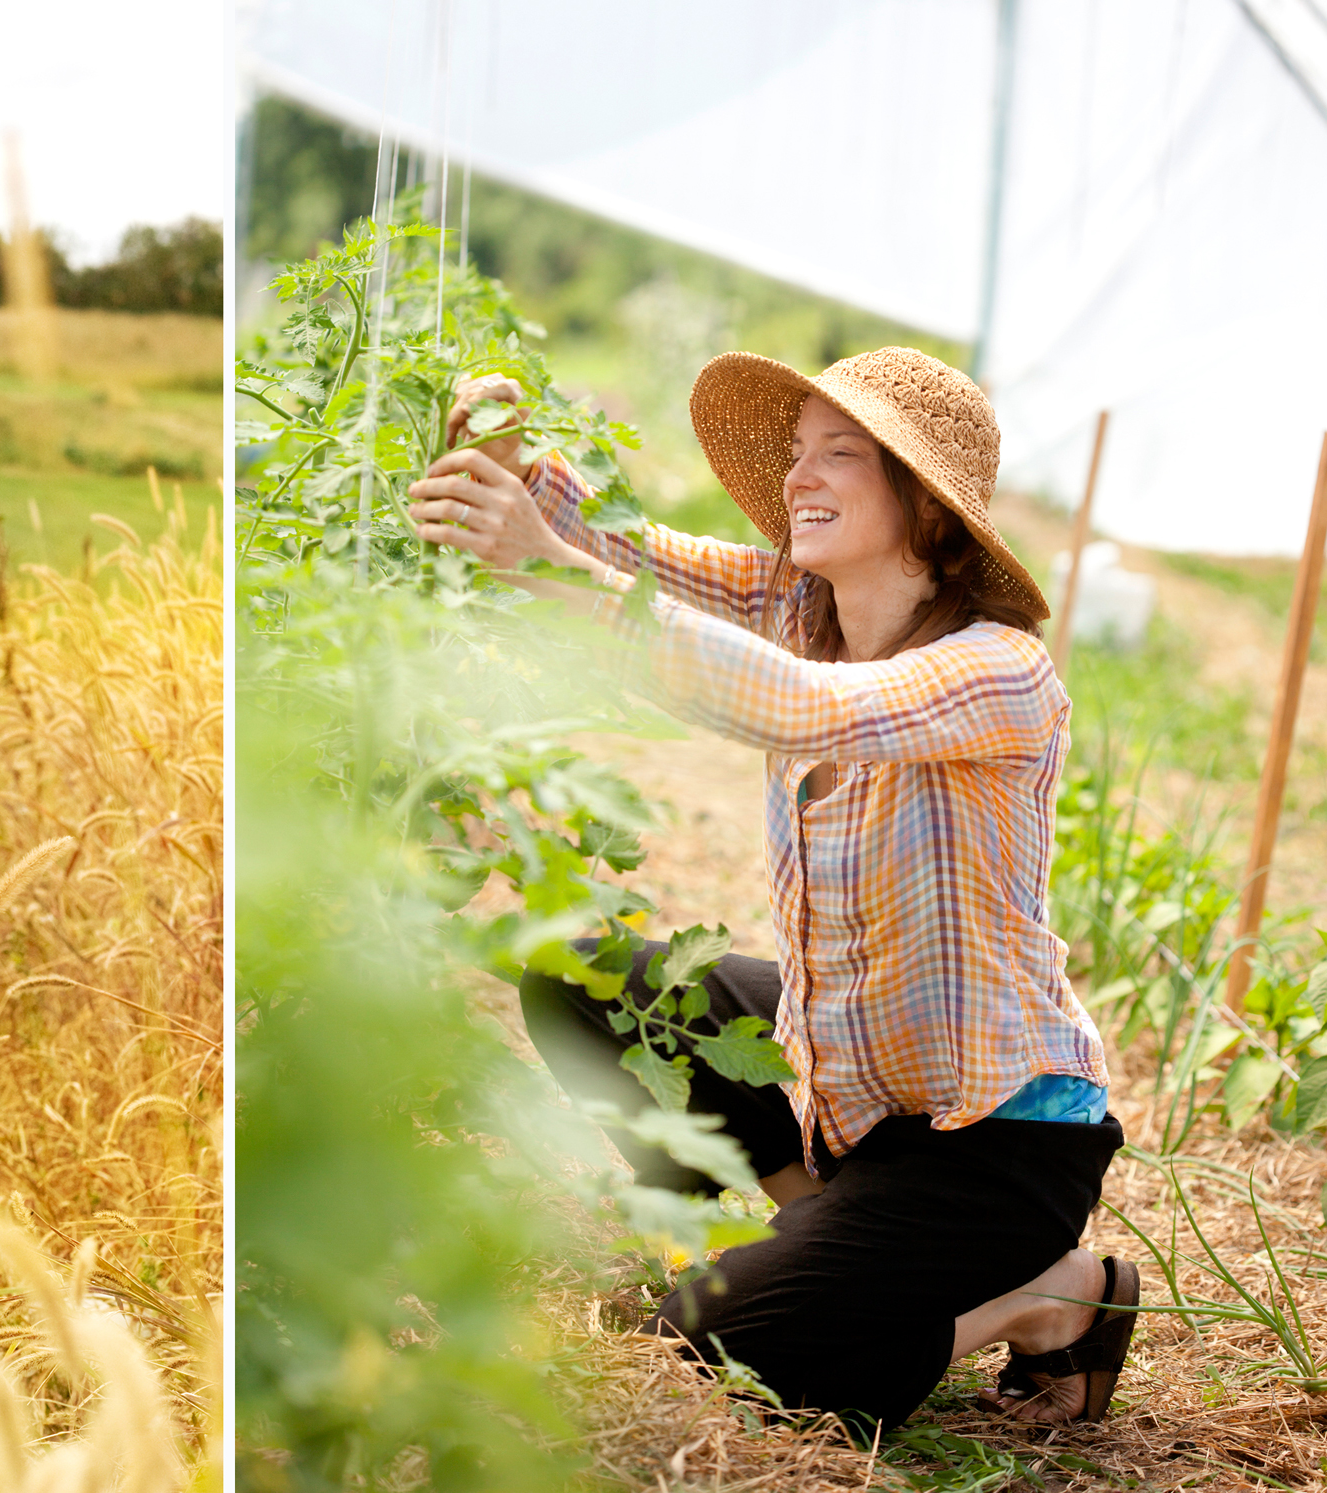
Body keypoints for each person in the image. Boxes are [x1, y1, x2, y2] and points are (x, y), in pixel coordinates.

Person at [405, 347, 1137, 1432]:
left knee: (722, 1345)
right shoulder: (800, 602)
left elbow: (807, 707)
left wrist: (549, 566)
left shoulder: (1001, 672)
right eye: (797, 452)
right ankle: (818, 1234)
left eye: (839, 454)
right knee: (576, 974)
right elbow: (635, 557)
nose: (800, 475)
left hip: (999, 1139)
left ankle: (1042, 1294)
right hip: (854, 1104)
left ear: (926, 505)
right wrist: (516, 464)